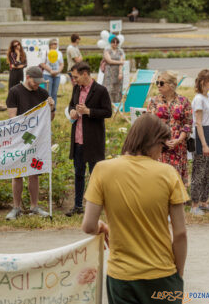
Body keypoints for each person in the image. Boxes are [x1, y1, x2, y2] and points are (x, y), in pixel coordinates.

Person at [82, 113, 187, 304]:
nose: (161, 152)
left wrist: (101, 226)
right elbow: (180, 234)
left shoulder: (102, 170)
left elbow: (88, 226)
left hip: (122, 278)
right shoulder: (168, 174)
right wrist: (177, 275)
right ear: (153, 142)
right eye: (162, 146)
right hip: (162, 276)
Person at [5, 66, 55, 220]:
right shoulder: (14, 92)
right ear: (27, 77)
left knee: (34, 172)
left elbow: (49, 119)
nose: (37, 85)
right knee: (18, 173)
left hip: (37, 140)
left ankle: (34, 206)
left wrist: (51, 108)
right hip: (20, 140)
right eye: (35, 81)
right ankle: (16, 207)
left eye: (39, 82)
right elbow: (13, 119)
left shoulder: (43, 93)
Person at [66, 62, 112, 217]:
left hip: (93, 139)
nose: (74, 80)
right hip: (78, 139)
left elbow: (107, 112)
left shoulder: (101, 90)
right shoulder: (76, 89)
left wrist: (88, 111)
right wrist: (72, 111)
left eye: (76, 77)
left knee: (95, 175)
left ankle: (97, 207)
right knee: (78, 173)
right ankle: (78, 206)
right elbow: (71, 105)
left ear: (85, 74)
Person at [147, 71, 192, 185]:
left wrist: (179, 140)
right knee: (160, 180)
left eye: (161, 83)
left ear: (171, 85)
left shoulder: (184, 101)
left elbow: (187, 124)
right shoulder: (153, 102)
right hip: (158, 147)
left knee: (176, 181)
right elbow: (150, 124)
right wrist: (162, 141)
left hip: (178, 147)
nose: (158, 85)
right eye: (157, 82)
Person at [190, 69, 209, 215]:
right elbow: (198, 123)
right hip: (202, 136)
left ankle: (204, 202)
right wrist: (204, 144)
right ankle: (194, 204)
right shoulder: (198, 99)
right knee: (199, 171)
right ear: (203, 82)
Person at [40, 38, 64, 107]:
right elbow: (42, 64)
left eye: (56, 44)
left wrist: (58, 71)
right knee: (48, 93)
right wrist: (50, 71)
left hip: (57, 75)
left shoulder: (59, 53)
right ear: (50, 45)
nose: (56, 45)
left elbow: (61, 64)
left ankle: (53, 108)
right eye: (54, 43)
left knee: (54, 93)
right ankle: (46, 108)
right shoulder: (45, 52)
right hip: (47, 75)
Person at [102, 37, 125, 103]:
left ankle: (117, 104)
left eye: (117, 42)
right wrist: (120, 62)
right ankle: (108, 103)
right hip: (109, 72)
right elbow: (109, 61)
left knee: (118, 89)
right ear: (111, 43)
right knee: (108, 88)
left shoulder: (120, 51)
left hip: (118, 72)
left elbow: (121, 63)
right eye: (113, 42)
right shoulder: (107, 50)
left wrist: (120, 73)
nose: (115, 44)